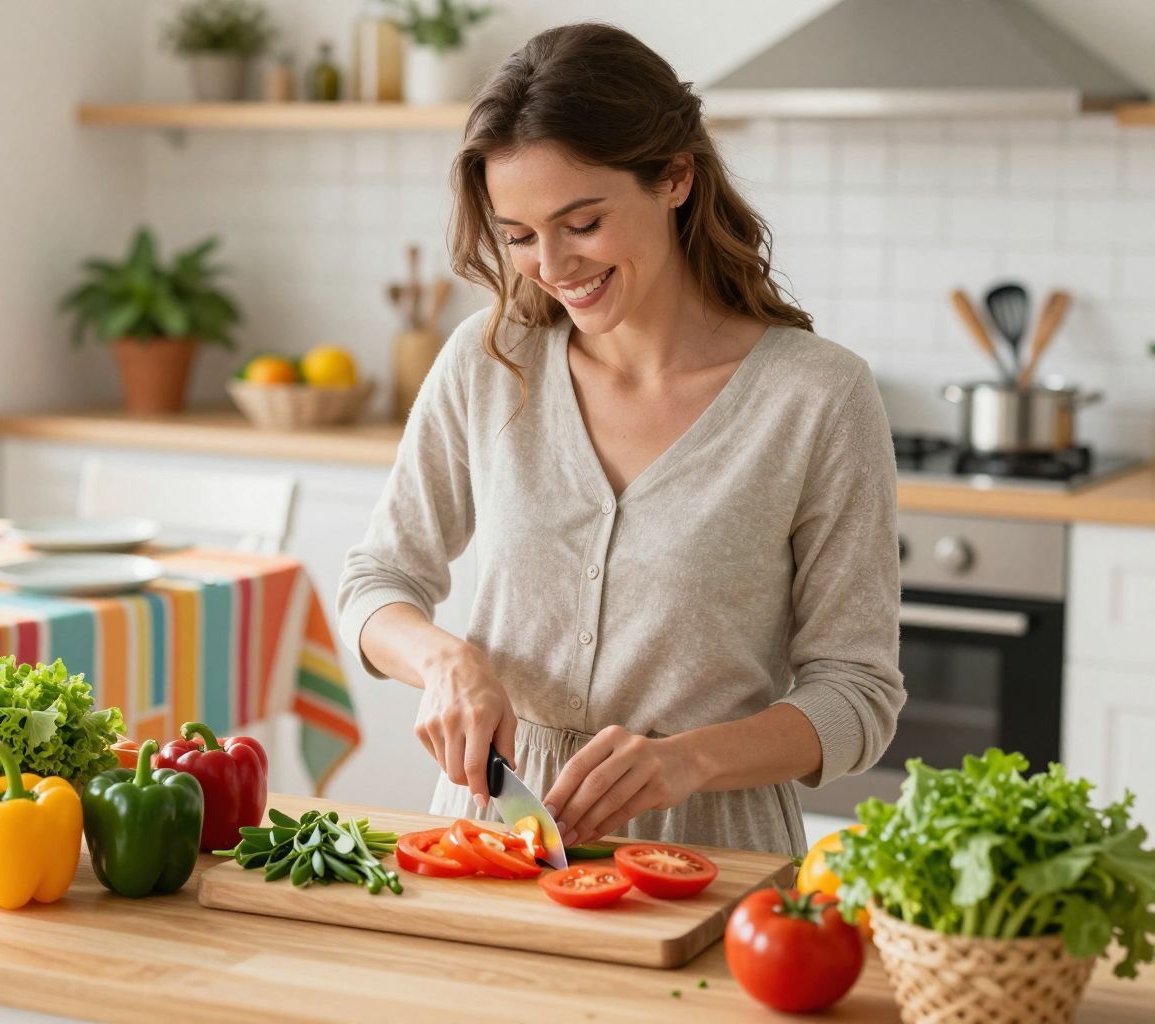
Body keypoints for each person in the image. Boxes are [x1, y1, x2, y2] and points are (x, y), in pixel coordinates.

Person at [336, 23, 905, 857]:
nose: (552, 265)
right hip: (496, 836)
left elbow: (857, 694)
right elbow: (376, 581)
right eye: (519, 235)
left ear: (675, 177)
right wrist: (444, 663)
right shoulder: (489, 362)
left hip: (709, 853)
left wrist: (690, 760)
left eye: (582, 223)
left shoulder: (818, 397)